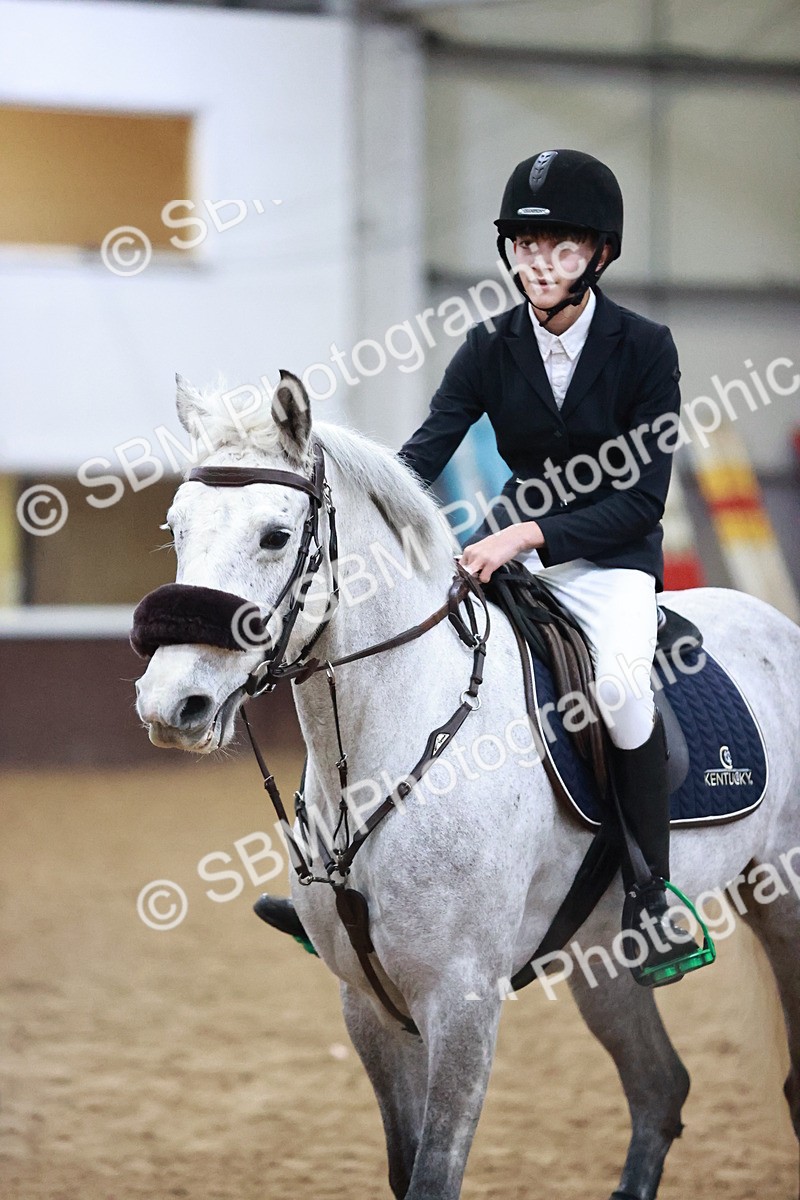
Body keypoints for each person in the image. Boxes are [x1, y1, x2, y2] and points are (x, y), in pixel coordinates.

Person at [255, 149, 706, 984]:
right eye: (525, 246)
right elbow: (419, 458)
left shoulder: (647, 347)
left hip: (607, 562)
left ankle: (651, 890)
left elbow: (643, 500)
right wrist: (340, 495)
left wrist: (525, 534)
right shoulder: (489, 345)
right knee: (386, 665)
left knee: (618, 688)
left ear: (598, 254)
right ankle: (326, 879)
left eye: (561, 245)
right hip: (507, 557)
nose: (540, 261)